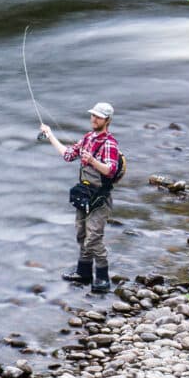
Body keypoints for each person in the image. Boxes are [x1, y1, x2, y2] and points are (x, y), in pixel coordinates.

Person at [41, 103, 123, 292]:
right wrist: (50, 135)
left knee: (93, 238)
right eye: (93, 115)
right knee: (81, 233)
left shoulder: (110, 143)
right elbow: (68, 155)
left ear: (107, 121)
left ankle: (102, 279)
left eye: (99, 117)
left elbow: (110, 170)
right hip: (85, 195)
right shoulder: (87, 138)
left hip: (100, 198)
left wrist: (93, 161)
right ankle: (84, 272)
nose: (94, 119)